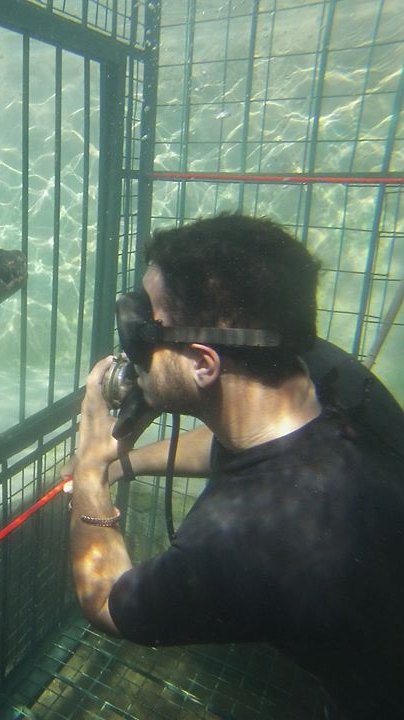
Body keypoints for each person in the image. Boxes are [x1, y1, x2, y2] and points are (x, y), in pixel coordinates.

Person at [67, 214, 404, 718]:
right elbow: (240, 446)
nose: (129, 347)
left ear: (204, 363)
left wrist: (90, 468)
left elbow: (107, 603)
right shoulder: (318, 371)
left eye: (144, 330)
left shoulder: (245, 539)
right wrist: (125, 465)